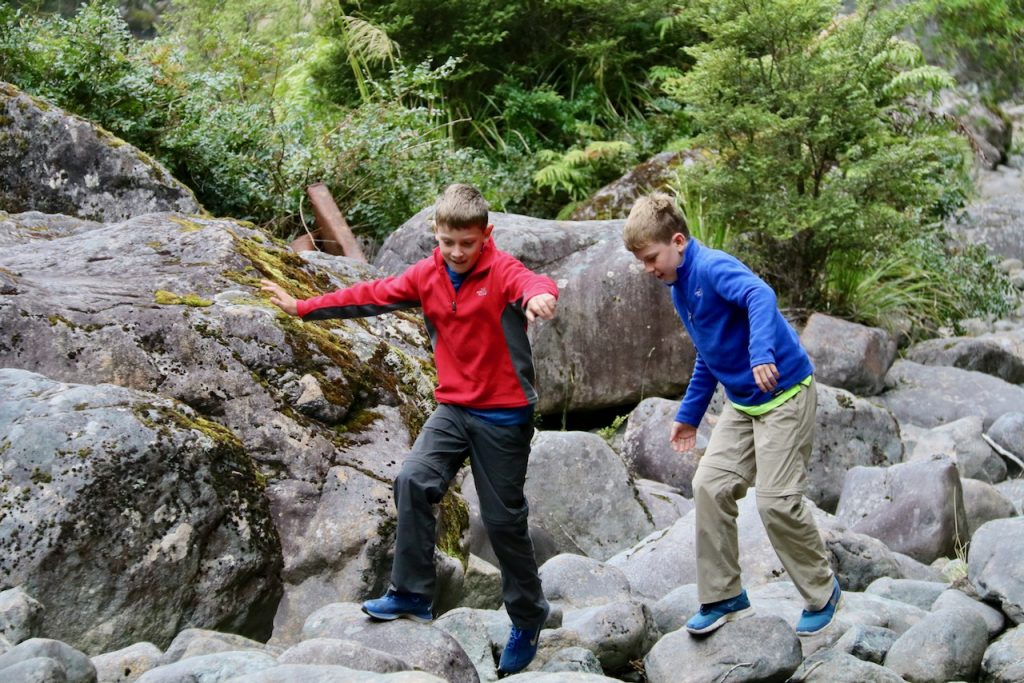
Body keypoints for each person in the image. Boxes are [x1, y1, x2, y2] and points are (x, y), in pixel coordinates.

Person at [261, 183, 556, 673]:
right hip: (454, 410)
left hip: (504, 415)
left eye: (467, 242)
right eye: (448, 242)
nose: (458, 252)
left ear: (487, 235)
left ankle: (528, 615)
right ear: (434, 235)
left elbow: (533, 282)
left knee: (503, 522)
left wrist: (539, 299)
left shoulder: (502, 271)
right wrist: (301, 307)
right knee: (413, 480)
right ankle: (412, 594)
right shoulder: (428, 275)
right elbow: (369, 295)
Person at [622, 193, 841, 636]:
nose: (649, 268)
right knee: (709, 484)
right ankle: (724, 595)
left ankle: (823, 591)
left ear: (678, 241)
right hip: (745, 403)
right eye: (642, 261)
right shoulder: (678, 286)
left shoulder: (711, 267)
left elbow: (761, 294)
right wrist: (689, 414)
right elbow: (709, 353)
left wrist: (762, 352)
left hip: (784, 394)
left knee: (776, 501)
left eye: (651, 257)